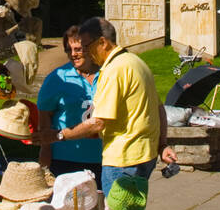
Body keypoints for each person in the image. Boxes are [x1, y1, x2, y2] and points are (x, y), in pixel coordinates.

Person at [75, 17, 177, 196]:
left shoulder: (114, 70)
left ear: (102, 42)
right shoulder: (137, 62)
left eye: (86, 46)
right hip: (145, 155)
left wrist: (63, 135)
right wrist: (162, 145)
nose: (84, 52)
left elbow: (98, 123)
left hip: (123, 159)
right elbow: (159, 109)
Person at [35, 25, 102, 184]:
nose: (73, 55)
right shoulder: (58, 78)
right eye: (68, 50)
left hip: (104, 158)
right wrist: (45, 152)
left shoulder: (108, 74)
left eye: (78, 49)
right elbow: (44, 118)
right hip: (65, 158)